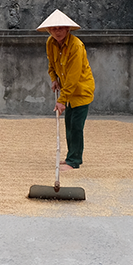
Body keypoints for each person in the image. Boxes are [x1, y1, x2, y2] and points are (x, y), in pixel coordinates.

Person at [38, 9, 95, 170]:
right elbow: (52, 64)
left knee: (76, 126)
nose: (58, 32)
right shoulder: (50, 43)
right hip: (66, 90)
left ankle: (74, 161)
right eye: (54, 29)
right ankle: (71, 156)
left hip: (81, 90)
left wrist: (61, 100)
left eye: (61, 28)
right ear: (49, 30)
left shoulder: (76, 46)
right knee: (69, 125)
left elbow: (73, 76)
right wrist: (54, 79)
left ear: (68, 29)